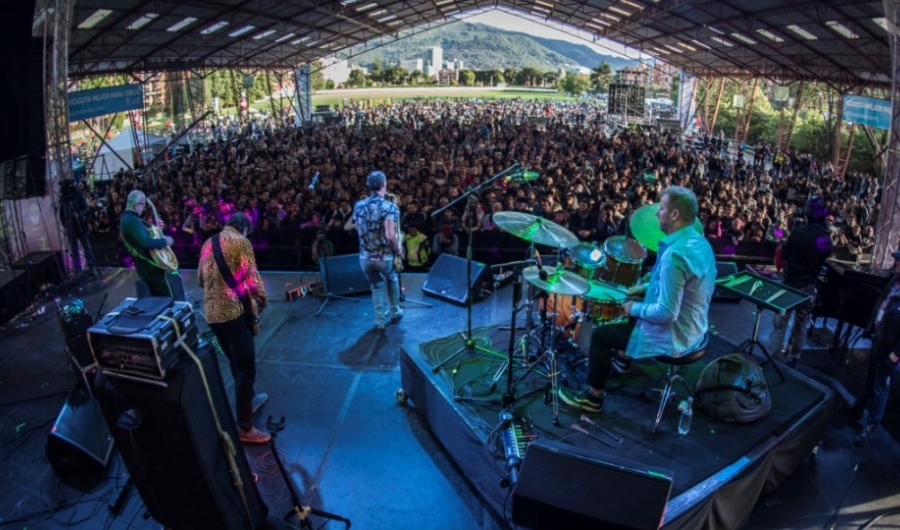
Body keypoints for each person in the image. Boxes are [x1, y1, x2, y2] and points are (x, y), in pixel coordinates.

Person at [559, 186, 717, 413]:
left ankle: (593, 398)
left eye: (661, 209)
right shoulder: (700, 243)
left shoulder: (675, 256)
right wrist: (644, 287)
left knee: (601, 336)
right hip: (695, 327)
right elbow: (683, 287)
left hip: (676, 336)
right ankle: (622, 362)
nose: (656, 214)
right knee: (636, 313)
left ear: (674, 215)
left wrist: (633, 308)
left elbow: (666, 313)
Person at [198, 212, 271, 444]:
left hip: (211, 315)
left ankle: (249, 399)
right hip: (232, 314)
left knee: (234, 362)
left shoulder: (208, 243)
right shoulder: (242, 242)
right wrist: (263, 300)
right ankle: (245, 427)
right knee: (246, 369)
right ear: (244, 229)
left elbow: (201, 280)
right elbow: (252, 279)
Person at [766, 197, 833, 367]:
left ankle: (774, 356)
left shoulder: (798, 232)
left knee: (781, 321)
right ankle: (795, 357)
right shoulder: (826, 240)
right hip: (808, 287)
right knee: (801, 324)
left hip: (790, 284)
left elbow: (785, 255)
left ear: (808, 215)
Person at [851, 252, 900, 445]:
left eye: (899, 260)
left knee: (881, 387)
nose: (896, 262)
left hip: (890, 349)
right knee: (870, 378)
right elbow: (882, 304)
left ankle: (871, 424)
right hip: (879, 340)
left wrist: (895, 355)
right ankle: (859, 407)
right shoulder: (894, 281)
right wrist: (871, 326)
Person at [352, 170, 403, 332]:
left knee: (376, 286)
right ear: (384, 184)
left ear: (368, 186)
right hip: (384, 257)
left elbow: (358, 228)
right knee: (392, 278)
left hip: (365, 257)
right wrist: (398, 249)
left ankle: (380, 321)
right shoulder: (389, 207)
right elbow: (390, 235)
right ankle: (395, 311)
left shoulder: (358, 205)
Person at [119, 190, 182, 298]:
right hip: (150, 268)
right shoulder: (130, 220)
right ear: (136, 206)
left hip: (150, 268)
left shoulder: (130, 219)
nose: (143, 208)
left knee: (161, 299)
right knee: (165, 299)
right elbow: (146, 242)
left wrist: (156, 228)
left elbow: (143, 235)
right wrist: (165, 241)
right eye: (142, 205)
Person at [58, 179, 98, 278]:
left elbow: (85, 207)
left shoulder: (78, 195)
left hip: (81, 225)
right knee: (74, 250)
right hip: (71, 227)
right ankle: (78, 269)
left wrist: (79, 214)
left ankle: (92, 267)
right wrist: (65, 225)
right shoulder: (63, 199)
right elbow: (61, 215)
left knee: (87, 247)